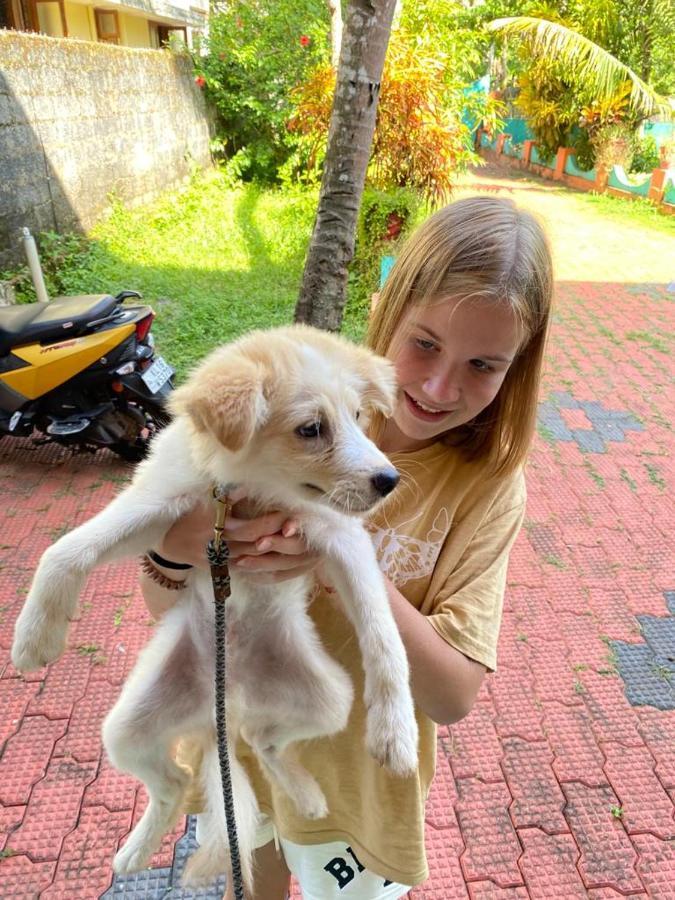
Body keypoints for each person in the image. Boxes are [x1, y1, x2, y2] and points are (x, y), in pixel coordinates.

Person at [140, 196, 553, 900]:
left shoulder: (483, 488)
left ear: (515, 368)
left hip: (358, 784)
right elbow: (166, 602)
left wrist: (335, 561)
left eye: (483, 364)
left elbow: (452, 695)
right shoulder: (292, 406)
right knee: (252, 881)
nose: (436, 386)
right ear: (384, 309)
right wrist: (180, 543)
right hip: (240, 739)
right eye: (423, 343)